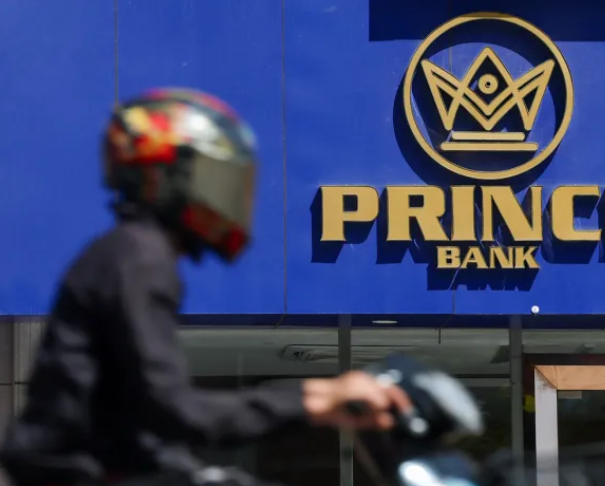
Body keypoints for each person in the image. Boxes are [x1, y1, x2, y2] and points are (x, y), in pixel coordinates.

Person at [0, 88, 411, 486]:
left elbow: (143, 413)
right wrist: (313, 400)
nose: (227, 198)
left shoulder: (129, 252)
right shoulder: (139, 258)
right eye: (215, 178)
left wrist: (321, 395)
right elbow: (176, 409)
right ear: (167, 177)